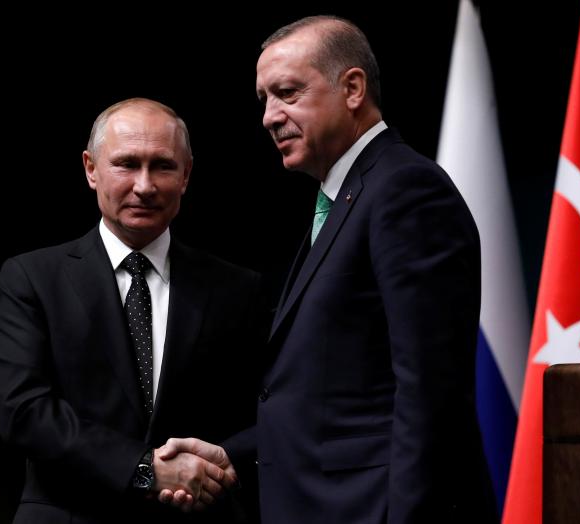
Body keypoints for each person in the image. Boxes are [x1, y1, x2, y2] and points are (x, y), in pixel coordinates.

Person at [160, 15, 498, 523]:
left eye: (288, 93)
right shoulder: (344, 198)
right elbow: (336, 395)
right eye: (264, 100)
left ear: (353, 88)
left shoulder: (405, 192)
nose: (270, 117)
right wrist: (232, 453)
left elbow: (429, 392)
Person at [0, 98, 265, 523]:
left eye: (163, 166)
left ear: (187, 174)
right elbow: (24, 412)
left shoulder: (237, 288)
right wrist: (144, 469)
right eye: (126, 164)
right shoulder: (32, 278)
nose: (144, 185)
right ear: (90, 168)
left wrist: (228, 460)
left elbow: (272, 408)